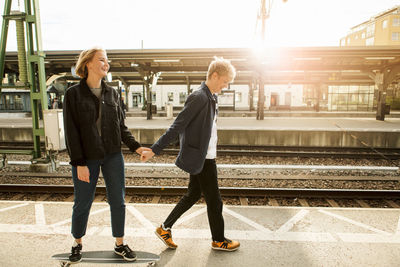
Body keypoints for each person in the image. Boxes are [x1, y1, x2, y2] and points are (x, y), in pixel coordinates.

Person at [141, 57, 240, 252]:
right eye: (224, 81)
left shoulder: (211, 96)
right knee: (215, 200)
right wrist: (155, 149)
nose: (225, 86)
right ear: (215, 75)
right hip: (203, 159)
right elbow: (178, 126)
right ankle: (218, 240)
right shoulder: (199, 97)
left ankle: (164, 228)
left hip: (205, 156)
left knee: (193, 194)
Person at [63, 47, 150, 263]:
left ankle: (119, 244)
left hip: (112, 155)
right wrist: (79, 163)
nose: (106, 63)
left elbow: (121, 127)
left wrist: (137, 147)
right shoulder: (73, 94)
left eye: (107, 60)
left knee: (118, 201)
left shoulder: (112, 93)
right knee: (83, 202)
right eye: (101, 59)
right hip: (86, 158)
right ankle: (77, 243)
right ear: (88, 64)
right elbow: (71, 132)